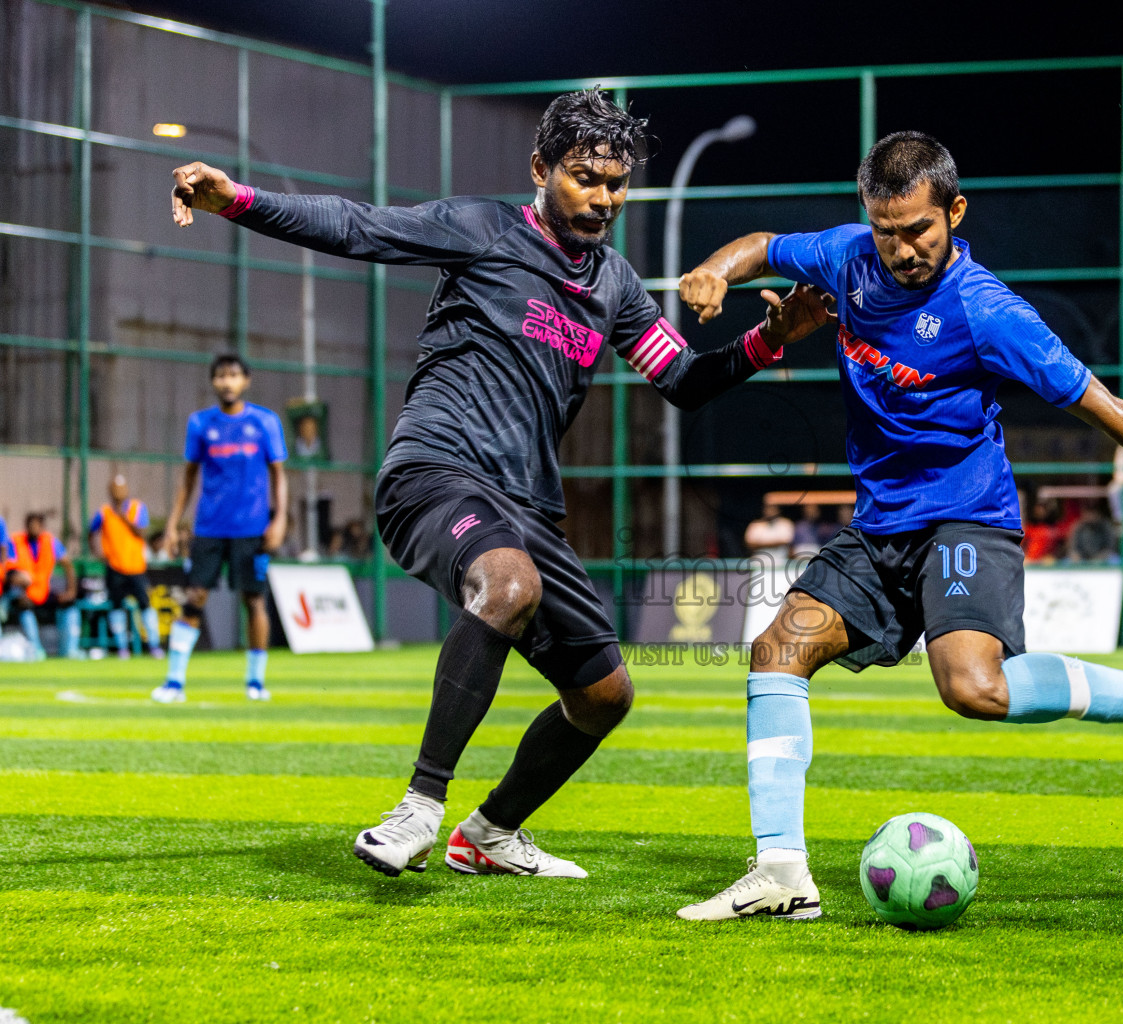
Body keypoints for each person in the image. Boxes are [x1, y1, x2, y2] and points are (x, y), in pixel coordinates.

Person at [170, 88, 831, 880]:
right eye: (585, 178)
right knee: (507, 584)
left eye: (617, 184)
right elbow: (357, 226)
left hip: (528, 508)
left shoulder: (615, 285)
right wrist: (236, 199)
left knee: (604, 696)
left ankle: (489, 832)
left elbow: (682, 380)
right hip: (434, 473)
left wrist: (766, 338)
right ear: (540, 169)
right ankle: (418, 806)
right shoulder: (482, 229)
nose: (603, 198)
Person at [673, 131, 1123, 921]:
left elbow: (1102, 406)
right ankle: (781, 875)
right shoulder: (847, 258)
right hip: (880, 529)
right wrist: (713, 270)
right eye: (886, 230)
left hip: (967, 519)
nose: (902, 248)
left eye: (918, 230)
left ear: (955, 211)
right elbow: (765, 244)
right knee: (776, 652)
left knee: (974, 689)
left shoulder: (988, 311)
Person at [153, 354, 288, 703]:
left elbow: (279, 475)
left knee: (254, 601)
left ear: (246, 381)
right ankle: (174, 683)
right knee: (195, 597)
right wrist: (171, 527)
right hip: (209, 528)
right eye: (221, 376)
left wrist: (280, 519)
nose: (227, 382)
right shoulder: (200, 424)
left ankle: (255, 684)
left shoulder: (265, 422)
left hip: (252, 529)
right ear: (213, 382)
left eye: (234, 375)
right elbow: (187, 481)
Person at [89, 475, 165, 659]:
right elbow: (91, 532)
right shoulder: (104, 511)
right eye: (115, 489)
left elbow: (142, 531)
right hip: (114, 567)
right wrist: (97, 552)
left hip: (135, 567)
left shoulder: (137, 508)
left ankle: (154, 645)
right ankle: (122, 648)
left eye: (121, 488)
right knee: (116, 606)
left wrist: (124, 517)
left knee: (145, 604)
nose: (118, 492)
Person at [6, 512, 80, 659]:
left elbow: (68, 565)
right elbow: (9, 573)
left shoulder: (50, 542)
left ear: (42, 527)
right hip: (24, 592)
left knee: (70, 605)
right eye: (31, 525)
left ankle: (69, 650)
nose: (34, 529)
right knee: (23, 607)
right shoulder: (16, 542)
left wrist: (71, 590)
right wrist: (20, 581)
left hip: (44, 590)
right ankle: (36, 649)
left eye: (37, 525)